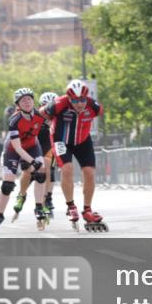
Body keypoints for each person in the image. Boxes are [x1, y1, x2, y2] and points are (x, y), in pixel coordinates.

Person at [42, 79, 106, 232]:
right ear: (69, 99)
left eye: (82, 100)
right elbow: (40, 113)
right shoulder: (58, 104)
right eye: (75, 100)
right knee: (67, 169)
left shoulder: (93, 106)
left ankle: (87, 210)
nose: (80, 104)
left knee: (89, 173)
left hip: (83, 140)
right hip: (61, 140)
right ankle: (71, 206)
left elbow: (99, 112)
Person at [0, 88, 48, 234]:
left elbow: (54, 127)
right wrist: (33, 161)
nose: (27, 102)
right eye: (23, 100)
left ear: (34, 101)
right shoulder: (14, 121)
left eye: (29, 99)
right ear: (18, 105)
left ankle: (39, 207)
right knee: (7, 185)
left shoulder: (41, 115)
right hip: (13, 150)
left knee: (41, 173)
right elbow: (18, 148)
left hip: (33, 146)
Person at [34, 92, 59, 218]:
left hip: (50, 147)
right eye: (45, 106)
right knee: (38, 174)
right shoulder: (35, 116)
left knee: (50, 170)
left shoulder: (59, 117)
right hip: (36, 147)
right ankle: (38, 202)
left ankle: (48, 198)